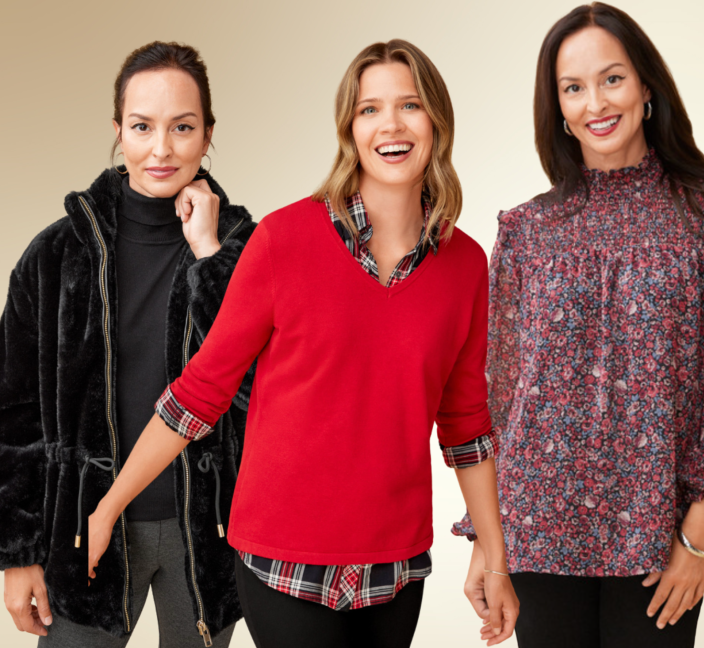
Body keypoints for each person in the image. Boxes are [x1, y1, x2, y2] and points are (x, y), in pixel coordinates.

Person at [81, 39, 519, 648]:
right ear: (350, 128)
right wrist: (107, 509)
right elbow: (200, 393)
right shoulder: (285, 239)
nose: (390, 125)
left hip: (395, 564)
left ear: (436, 121)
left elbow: (467, 421)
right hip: (281, 560)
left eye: (409, 106)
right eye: (369, 109)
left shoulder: (466, 264)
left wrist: (492, 555)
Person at [454, 2, 704, 648]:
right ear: (558, 107)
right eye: (573, 87)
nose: (595, 101)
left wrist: (699, 532)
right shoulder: (524, 230)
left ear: (647, 86)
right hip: (538, 531)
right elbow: (502, 396)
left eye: (612, 78)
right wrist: (487, 538)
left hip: (658, 531)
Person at [0, 41, 254, 646]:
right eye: (142, 126)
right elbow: (12, 412)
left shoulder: (244, 247)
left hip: (207, 533)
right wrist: (16, 554)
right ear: (118, 130)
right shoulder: (56, 254)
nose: (161, 149)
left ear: (208, 134)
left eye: (182, 127)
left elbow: (256, 385)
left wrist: (208, 255)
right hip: (84, 530)